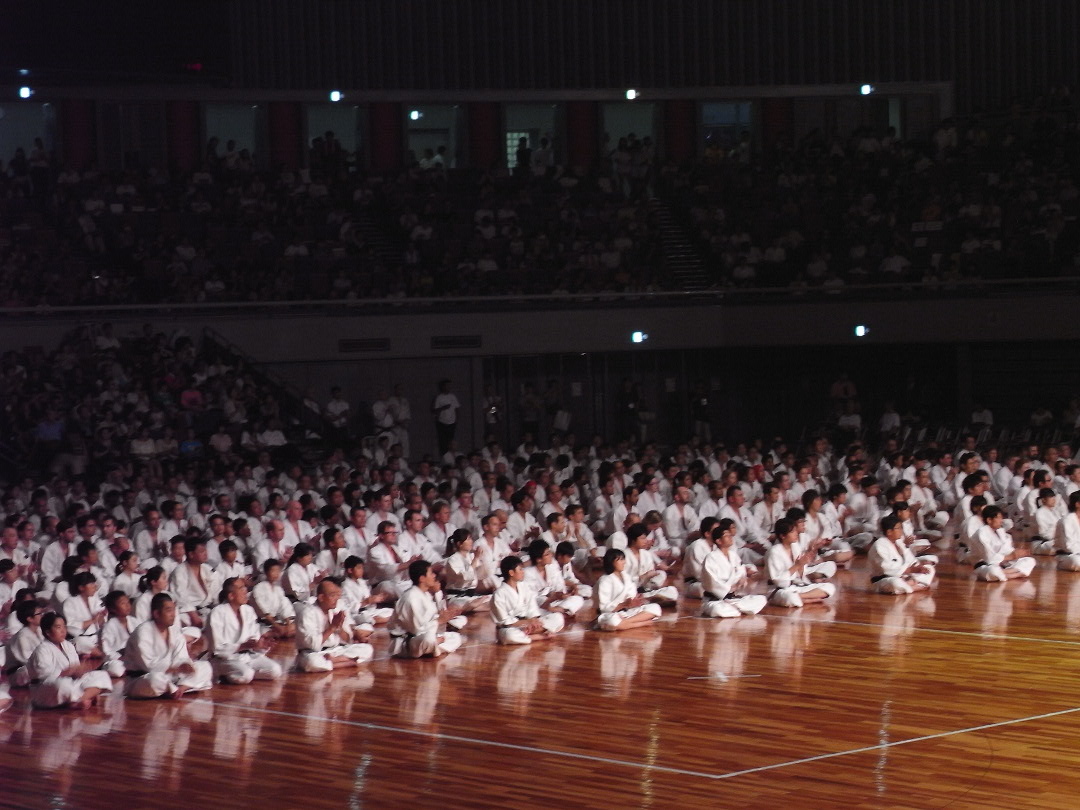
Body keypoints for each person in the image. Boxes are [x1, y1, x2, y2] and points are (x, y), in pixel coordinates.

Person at [123, 593, 214, 699]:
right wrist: (174, 668)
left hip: (171, 676)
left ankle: (180, 689)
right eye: (169, 610)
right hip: (142, 679)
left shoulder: (175, 631)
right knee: (155, 679)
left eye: (174, 610)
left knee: (205, 666)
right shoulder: (143, 632)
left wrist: (185, 665)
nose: (173, 614)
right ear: (156, 613)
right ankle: (172, 689)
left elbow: (182, 657)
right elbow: (148, 666)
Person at [27, 613, 114, 709]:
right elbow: (43, 676)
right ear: (48, 632)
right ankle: (83, 697)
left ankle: (78, 700)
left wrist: (81, 670)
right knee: (62, 685)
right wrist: (68, 671)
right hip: (46, 689)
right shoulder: (42, 650)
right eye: (58, 627)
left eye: (64, 626)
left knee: (101, 675)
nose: (63, 630)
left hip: (70, 681)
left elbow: (76, 669)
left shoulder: (68, 645)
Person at [207, 577, 283, 684]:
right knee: (246, 675)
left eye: (245, 588)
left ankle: (240, 671)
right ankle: (221, 671)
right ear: (231, 596)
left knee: (275, 670)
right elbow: (217, 648)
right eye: (241, 588)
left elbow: (254, 638)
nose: (245, 591)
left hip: (248, 656)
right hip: (225, 658)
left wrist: (261, 644)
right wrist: (242, 646)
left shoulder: (248, 610)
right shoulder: (217, 613)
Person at [388, 560, 464, 657]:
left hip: (421, 637)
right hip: (406, 643)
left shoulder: (425, 594)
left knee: (455, 636)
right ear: (422, 578)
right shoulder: (410, 598)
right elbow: (416, 630)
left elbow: (429, 619)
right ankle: (434, 645)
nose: (434, 576)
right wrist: (439, 621)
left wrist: (445, 616)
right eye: (431, 573)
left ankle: (434, 646)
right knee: (428, 639)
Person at [295, 579, 374, 672]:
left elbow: (348, 640)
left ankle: (335, 661)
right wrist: (331, 628)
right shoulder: (307, 613)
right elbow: (311, 645)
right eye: (332, 595)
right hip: (314, 653)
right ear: (321, 597)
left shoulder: (334, 611)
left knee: (367, 649)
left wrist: (339, 628)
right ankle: (346, 662)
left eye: (337, 596)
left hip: (335, 651)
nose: (336, 599)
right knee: (312, 662)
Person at [491, 556, 566, 644]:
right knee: (509, 635)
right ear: (511, 572)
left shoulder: (524, 586)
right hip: (512, 627)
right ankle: (538, 635)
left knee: (558, 618)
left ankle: (530, 632)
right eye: (520, 570)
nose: (523, 572)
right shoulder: (499, 594)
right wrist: (527, 622)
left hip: (528, 624)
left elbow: (532, 607)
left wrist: (534, 621)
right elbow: (505, 621)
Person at [699, 522, 767, 618]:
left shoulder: (733, 555)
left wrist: (743, 578)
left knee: (761, 599)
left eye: (730, 535)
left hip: (731, 598)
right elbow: (712, 583)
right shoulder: (711, 558)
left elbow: (741, 573)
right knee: (717, 609)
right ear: (718, 541)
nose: (730, 537)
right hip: (714, 600)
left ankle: (734, 608)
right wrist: (732, 586)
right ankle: (736, 608)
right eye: (726, 535)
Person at [765, 519, 836, 607]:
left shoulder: (795, 547)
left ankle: (802, 597)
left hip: (797, 587)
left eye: (795, 530)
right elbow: (778, 581)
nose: (796, 534)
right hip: (780, 590)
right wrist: (797, 565)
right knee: (790, 598)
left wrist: (803, 563)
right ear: (783, 536)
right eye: (792, 532)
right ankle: (808, 598)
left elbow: (801, 575)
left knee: (830, 587)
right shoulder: (774, 552)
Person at [593, 548, 663, 631]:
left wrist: (634, 601)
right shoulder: (605, 580)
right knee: (613, 620)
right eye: (620, 560)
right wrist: (623, 604)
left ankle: (626, 623)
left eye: (624, 559)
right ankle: (642, 623)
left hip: (626, 612)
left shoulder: (626, 576)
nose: (624, 562)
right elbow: (604, 607)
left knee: (655, 607)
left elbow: (632, 595)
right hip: (611, 614)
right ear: (611, 562)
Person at [868, 515, 935, 594]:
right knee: (895, 583)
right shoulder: (880, 545)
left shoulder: (899, 542)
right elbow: (887, 569)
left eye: (901, 528)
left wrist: (919, 566)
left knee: (929, 568)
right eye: (899, 528)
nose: (901, 531)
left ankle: (909, 584)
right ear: (889, 532)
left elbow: (910, 560)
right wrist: (911, 570)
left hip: (904, 576)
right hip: (885, 580)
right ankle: (914, 587)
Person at [968, 506, 1036, 581]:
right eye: (999, 518)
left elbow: (1007, 550)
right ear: (989, 520)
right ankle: (1012, 574)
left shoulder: (1000, 531)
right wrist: (1011, 556)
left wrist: (1017, 553)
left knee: (1030, 560)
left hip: (1002, 565)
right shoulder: (981, 533)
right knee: (993, 571)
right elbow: (989, 557)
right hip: (986, 566)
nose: (1001, 521)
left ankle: (1005, 574)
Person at [523, 539, 585, 616]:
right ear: (539, 559)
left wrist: (561, 594)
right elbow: (532, 598)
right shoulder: (527, 573)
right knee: (537, 613)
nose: (551, 555)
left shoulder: (551, 567)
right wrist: (550, 598)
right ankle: (562, 611)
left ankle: (559, 611)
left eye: (550, 552)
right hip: (540, 606)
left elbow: (560, 585)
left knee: (578, 599)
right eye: (547, 554)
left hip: (554, 602)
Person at [442, 530, 493, 613]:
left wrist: (482, 557)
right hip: (457, 596)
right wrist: (476, 559)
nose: (471, 541)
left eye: (471, 539)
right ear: (459, 544)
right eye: (468, 539)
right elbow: (465, 578)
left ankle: (475, 606)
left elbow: (484, 573)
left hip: (472, 596)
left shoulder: (471, 556)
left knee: (494, 599)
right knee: (469, 604)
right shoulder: (452, 560)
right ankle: (471, 607)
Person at [340, 556, 394, 625]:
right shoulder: (344, 586)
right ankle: (381, 619)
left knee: (391, 611)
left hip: (369, 611)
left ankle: (380, 619)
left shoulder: (361, 582)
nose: (362, 570)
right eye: (359, 568)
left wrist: (377, 598)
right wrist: (366, 602)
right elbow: (349, 607)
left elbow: (368, 598)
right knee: (364, 619)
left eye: (362, 568)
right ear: (350, 570)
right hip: (357, 614)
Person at [251, 559, 296, 638]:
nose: (276, 574)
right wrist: (277, 626)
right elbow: (264, 612)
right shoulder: (259, 588)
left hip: (277, 621)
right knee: (275, 632)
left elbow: (284, 606)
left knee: (294, 628)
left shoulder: (279, 589)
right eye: (273, 571)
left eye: (278, 571)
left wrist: (288, 624)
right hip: (264, 623)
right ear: (266, 572)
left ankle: (283, 631)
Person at [100, 590, 137, 678]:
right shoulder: (109, 626)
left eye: (128, 602)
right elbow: (106, 651)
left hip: (134, 655)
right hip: (120, 658)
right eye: (123, 603)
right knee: (115, 668)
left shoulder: (134, 621)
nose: (127, 605)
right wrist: (120, 657)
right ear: (113, 608)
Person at [431, 379, 460, 456]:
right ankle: (444, 457)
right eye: (447, 385)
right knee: (443, 442)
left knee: (451, 441)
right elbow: (435, 410)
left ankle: (452, 456)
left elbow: (457, 408)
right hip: (442, 422)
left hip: (452, 422)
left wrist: (457, 419)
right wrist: (443, 408)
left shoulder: (452, 396)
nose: (449, 387)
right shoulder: (439, 397)